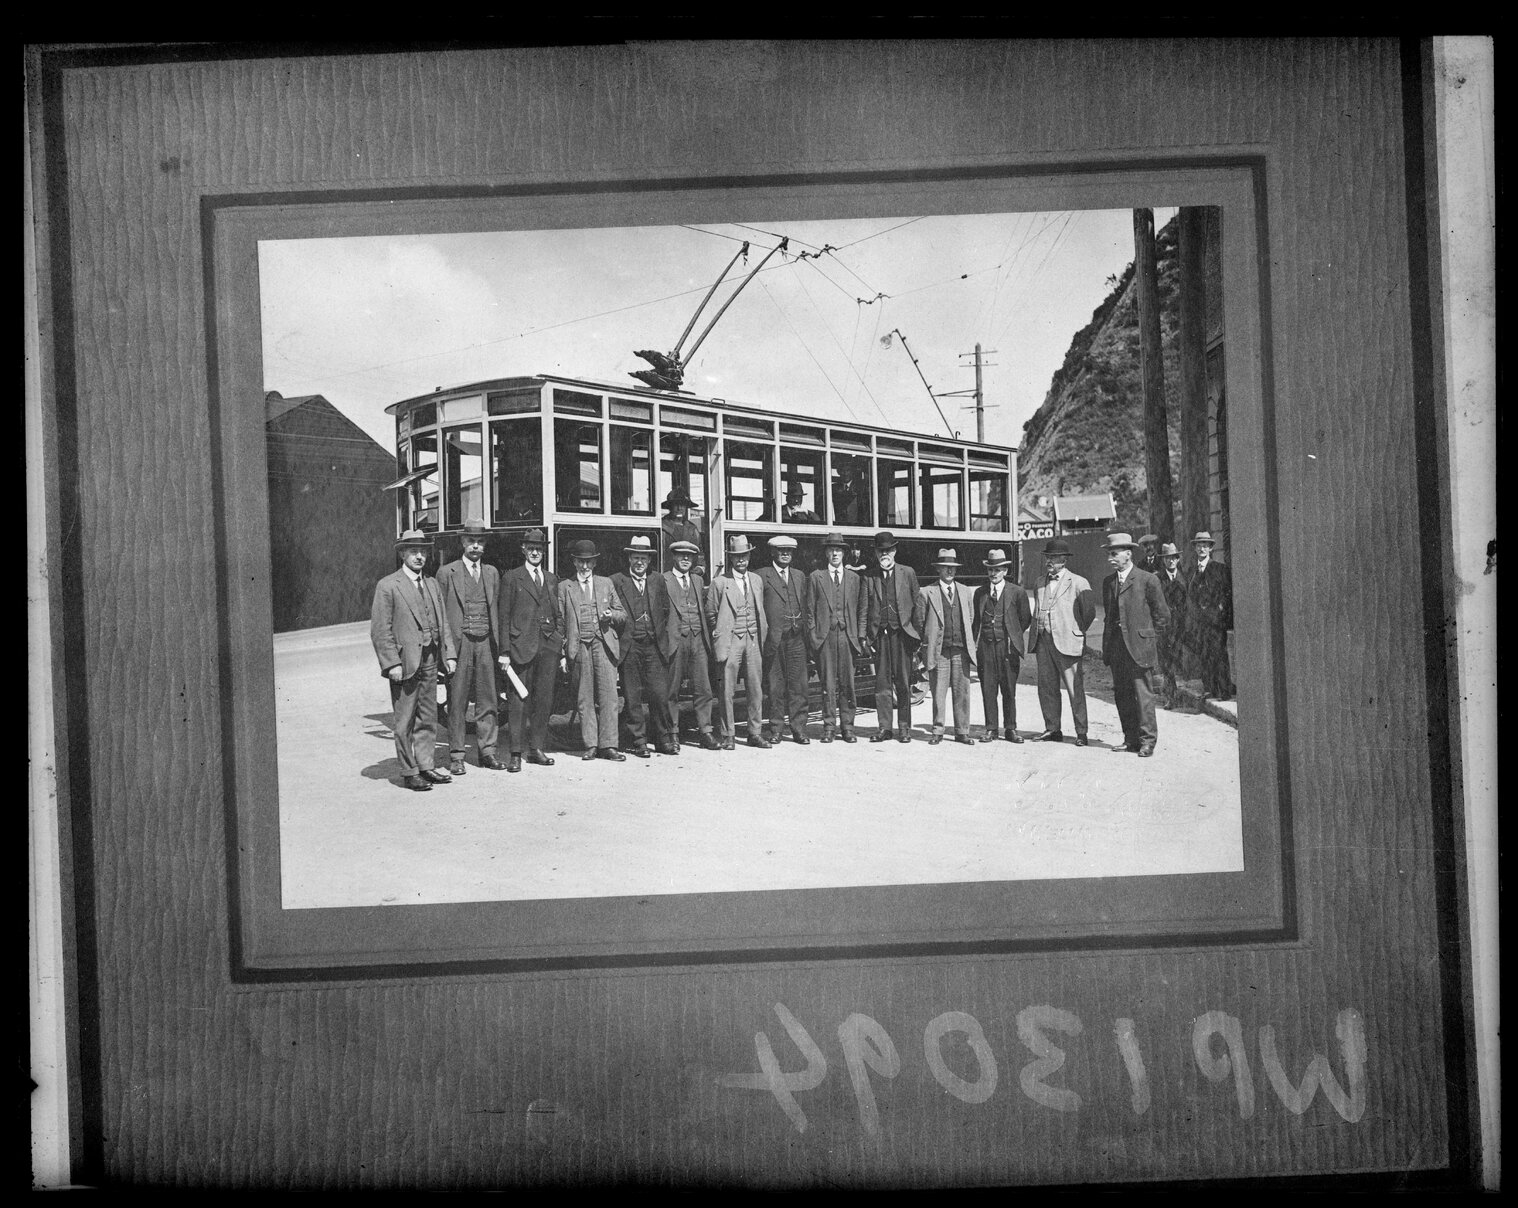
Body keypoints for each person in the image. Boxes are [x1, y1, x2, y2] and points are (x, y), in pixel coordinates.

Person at [369, 529, 458, 791]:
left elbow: (443, 622)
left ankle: (426, 766)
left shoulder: (431, 583)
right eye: (413, 552)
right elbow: (380, 629)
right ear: (402, 554)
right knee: (405, 719)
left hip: (430, 658)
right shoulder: (388, 586)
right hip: (405, 662)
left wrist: (449, 654)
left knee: (428, 716)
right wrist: (391, 663)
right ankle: (409, 771)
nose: (419, 557)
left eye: (423, 552)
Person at [434, 520, 506, 775]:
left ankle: (487, 752)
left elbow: (496, 610)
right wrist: (446, 651)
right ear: (462, 542)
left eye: (480, 542)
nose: (476, 546)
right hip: (460, 643)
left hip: (486, 642)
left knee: (488, 700)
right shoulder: (446, 573)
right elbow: (440, 614)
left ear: (484, 545)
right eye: (471, 541)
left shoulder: (492, 573)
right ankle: (456, 755)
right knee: (458, 701)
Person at [496, 528, 562, 773]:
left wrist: (559, 640)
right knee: (518, 702)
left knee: (544, 700)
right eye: (531, 548)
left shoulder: (551, 578)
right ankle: (515, 753)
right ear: (523, 550)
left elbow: (558, 612)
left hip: (548, 648)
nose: (535, 552)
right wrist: (504, 651)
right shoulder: (512, 578)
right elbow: (503, 617)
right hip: (520, 647)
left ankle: (536, 749)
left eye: (539, 549)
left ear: (544, 551)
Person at [1101, 532, 1171, 757]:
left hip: (1140, 648)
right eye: (1109, 554)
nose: (1110, 558)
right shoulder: (1108, 582)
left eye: (1114, 554)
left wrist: (1149, 639)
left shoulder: (1147, 580)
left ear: (1128, 554)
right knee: (1122, 695)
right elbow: (1109, 617)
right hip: (1117, 649)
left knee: (1143, 696)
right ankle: (1130, 739)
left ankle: (1147, 741)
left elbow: (1162, 616)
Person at [557, 540, 627, 761]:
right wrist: (562, 654)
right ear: (575, 562)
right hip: (579, 646)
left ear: (594, 562)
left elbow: (622, 614)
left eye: (588, 562)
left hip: (603, 643)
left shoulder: (606, 584)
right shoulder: (564, 587)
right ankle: (591, 744)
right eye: (581, 562)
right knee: (584, 696)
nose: (585, 567)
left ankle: (609, 745)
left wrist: (611, 616)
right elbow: (560, 622)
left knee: (609, 695)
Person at [1027, 537, 1097, 746]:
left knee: (1075, 688)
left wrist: (1075, 631)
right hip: (1043, 641)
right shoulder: (1039, 583)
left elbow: (1089, 613)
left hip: (1067, 641)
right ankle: (1052, 728)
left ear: (1064, 560)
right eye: (1048, 557)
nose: (1049, 561)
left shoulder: (1078, 582)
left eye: (1054, 558)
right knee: (1046, 687)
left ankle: (1081, 732)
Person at [611, 535, 675, 758]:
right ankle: (638, 741)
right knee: (632, 696)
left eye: (643, 558)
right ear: (629, 558)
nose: (639, 562)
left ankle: (662, 739)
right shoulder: (617, 581)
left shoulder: (657, 580)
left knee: (659, 694)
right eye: (636, 557)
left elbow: (665, 611)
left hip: (653, 646)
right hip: (629, 647)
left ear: (649, 560)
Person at [860, 531, 926, 743]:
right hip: (879, 637)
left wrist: (917, 635)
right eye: (880, 551)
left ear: (894, 551)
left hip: (903, 635)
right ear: (876, 554)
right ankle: (885, 728)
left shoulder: (907, 573)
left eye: (888, 550)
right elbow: (863, 609)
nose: (884, 554)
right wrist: (864, 637)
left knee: (904, 683)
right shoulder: (869, 577)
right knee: (882, 684)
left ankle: (904, 728)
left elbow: (918, 606)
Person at [707, 534, 769, 749]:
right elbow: (711, 614)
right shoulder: (720, 582)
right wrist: (722, 633)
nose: (741, 560)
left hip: (753, 638)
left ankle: (755, 733)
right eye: (736, 556)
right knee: (727, 690)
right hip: (731, 639)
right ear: (731, 559)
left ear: (749, 556)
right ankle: (728, 734)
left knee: (755, 688)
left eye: (744, 555)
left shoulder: (756, 580)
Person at [661, 539, 719, 751]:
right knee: (672, 690)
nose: (685, 559)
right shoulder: (664, 580)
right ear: (674, 557)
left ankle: (705, 732)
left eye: (689, 556)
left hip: (698, 639)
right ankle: (673, 733)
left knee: (703, 688)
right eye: (681, 555)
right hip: (676, 640)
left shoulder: (696, 579)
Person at [972, 548, 1033, 742]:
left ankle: (1010, 728)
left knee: (1009, 689)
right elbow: (977, 620)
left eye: (998, 569)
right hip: (986, 647)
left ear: (1005, 571)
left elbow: (1025, 619)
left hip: (1007, 648)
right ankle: (991, 728)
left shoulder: (1017, 592)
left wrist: (1013, 635)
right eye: (990, 569)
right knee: (988, 689)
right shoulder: (980, 593)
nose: (993, 573)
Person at [807, 532, 863, 743]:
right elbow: (809, 610)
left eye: (838, 550)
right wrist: (814, 637)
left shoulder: (854, 578)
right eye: (831, 550)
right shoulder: (816, 577)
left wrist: (858, 636)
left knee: (848, 684)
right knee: (828, 684)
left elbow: (860, 609)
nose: (835, 553)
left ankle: (848, 727)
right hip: (826, 638)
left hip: (847, 637)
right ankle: (829, 727)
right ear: (826, 553)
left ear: (844, 553)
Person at [920, 548, 978, 745]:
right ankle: (938, 730)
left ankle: (962, 731)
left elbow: (970, 618)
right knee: (938, 691)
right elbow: (920, 622)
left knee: (962, 691)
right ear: (938, 570)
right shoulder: (927, 592)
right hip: (940, 651)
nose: (950, 571)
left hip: (961, 650)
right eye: (945, 567)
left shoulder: (965, 591)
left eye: (952, 568)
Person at [758, 535, 812, 744]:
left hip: (796, 637)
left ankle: (799, 729)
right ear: (773, 552)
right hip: (774, 639)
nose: (785, 554)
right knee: (775, 686)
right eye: (781, 550)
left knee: (799, 685)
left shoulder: (799, 576)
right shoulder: (762, 575)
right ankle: (776, 729)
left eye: (789, 551)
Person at [1185, 530, 1235, 700]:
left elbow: (1227, 593)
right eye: (1199, 545)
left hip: (1215, 621)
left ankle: (1224, 691)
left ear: (1211, 548)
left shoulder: (1219, 569)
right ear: (1195, 548)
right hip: (1199, 622)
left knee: (1219, 655)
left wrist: (1220, 610)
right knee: (1204, 654)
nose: (1202, 548)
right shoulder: (1192, 571)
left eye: (1205, 545)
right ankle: (1210, 689)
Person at [1155, 541, 1188, 708]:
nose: (1171, 561)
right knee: (1166, 664)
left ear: (1178, 559)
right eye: (1167, 558)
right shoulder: (1157, 579)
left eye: (1174, 558)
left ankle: (1184, 692)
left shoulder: (1185, 578)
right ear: (1163, 560)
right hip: (1164, 628)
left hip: (1182, 627)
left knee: (1180, 661)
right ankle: (1171, 697)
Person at [660, 489, 703, 571]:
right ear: (670, 507)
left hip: (689, 575)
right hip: (668, 575)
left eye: (683, 505)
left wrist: (700, 567)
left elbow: (700, 552)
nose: (680, 508)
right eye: (676, 505)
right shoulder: (662, 527)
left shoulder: (693, 529)